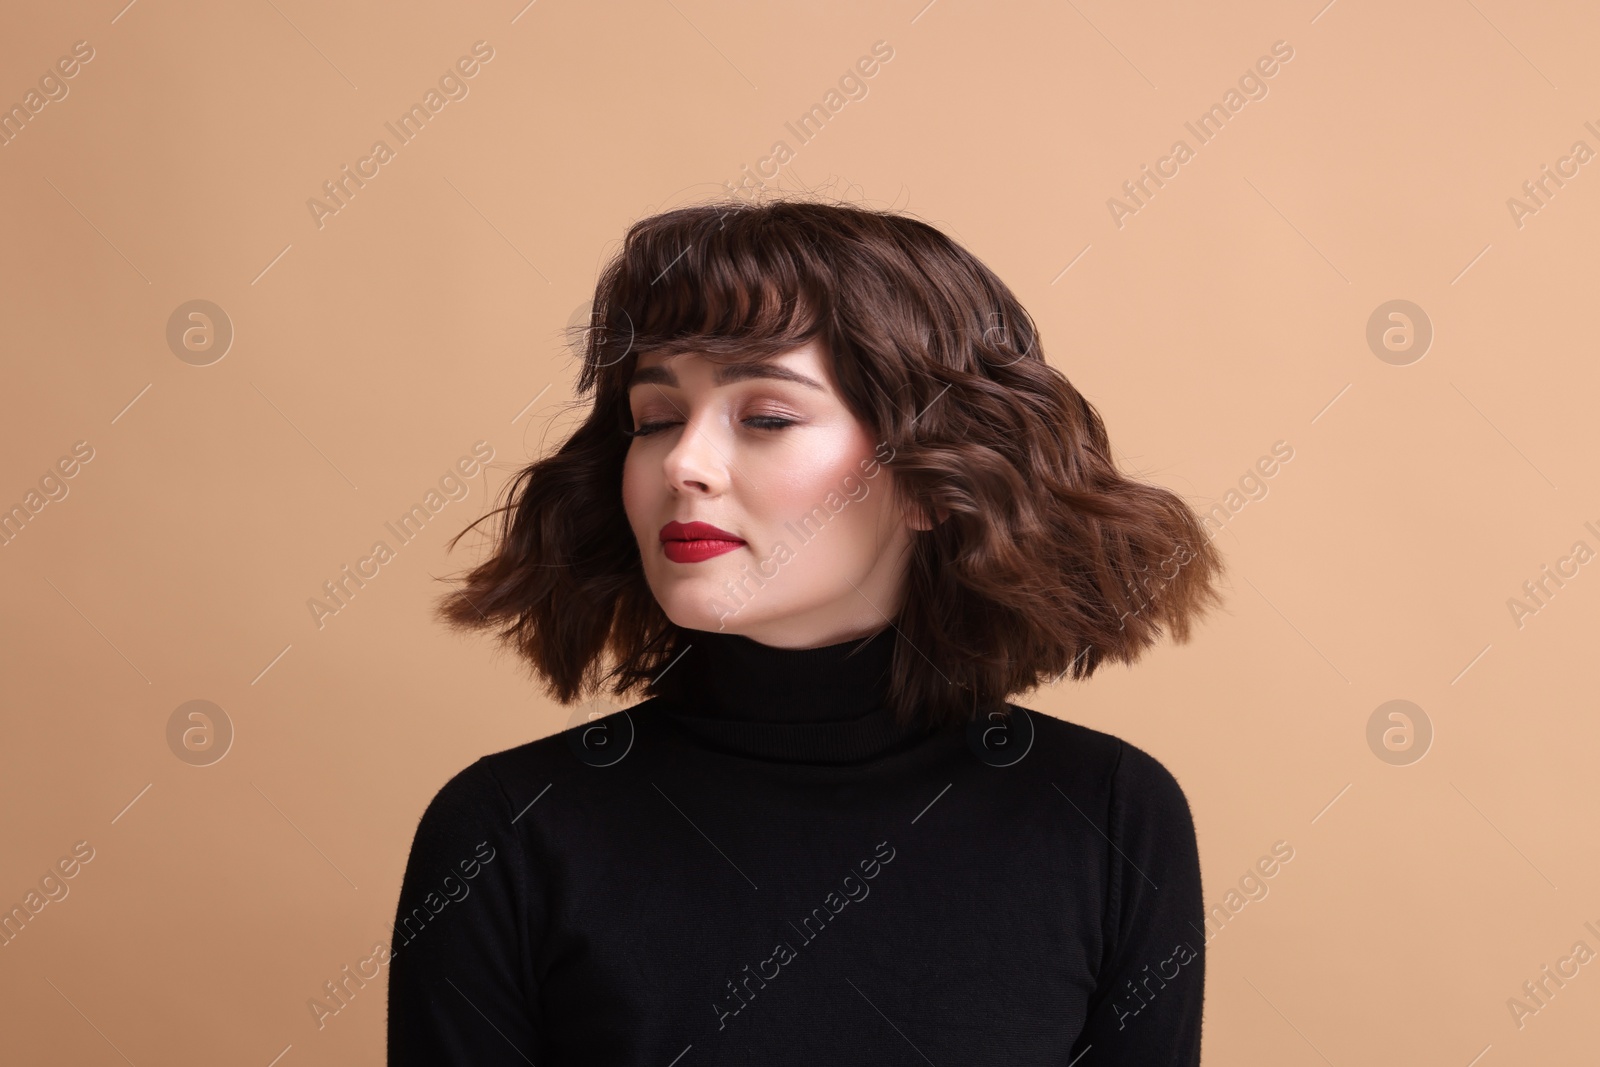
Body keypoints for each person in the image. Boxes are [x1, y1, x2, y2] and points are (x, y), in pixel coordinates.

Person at [386, 198, 1226, 1064]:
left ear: (935, 480)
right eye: (656, 418)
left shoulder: (1106, 814)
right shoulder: (504, 832)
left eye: (767, 417)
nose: (683, 463)